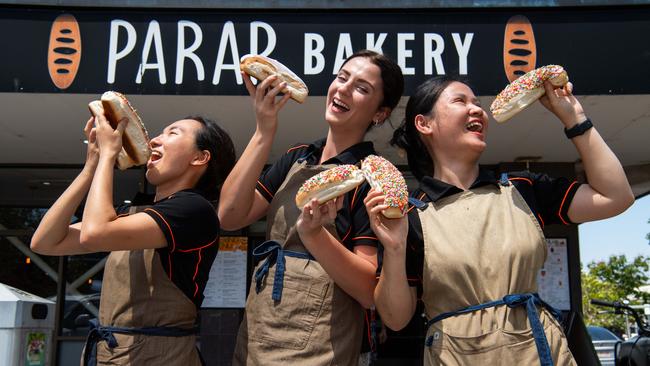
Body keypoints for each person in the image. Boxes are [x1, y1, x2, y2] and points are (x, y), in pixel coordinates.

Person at [364, 76, 634, 365]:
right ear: (424, 124)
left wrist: (575, 118)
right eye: (460, 101)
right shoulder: (410, 216)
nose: (477, 110)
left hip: (540, 353)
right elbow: (394, 319)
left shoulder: (521, 188)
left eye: (477, 104)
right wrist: (393, 248)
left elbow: (615, 196)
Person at [218, 49, 404, 365]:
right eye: (342, 77)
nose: (343, 89)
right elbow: (230, 215)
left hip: (320, 346)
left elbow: (367, 289)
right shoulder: (297, 157)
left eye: (361, 88)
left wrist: (315, 235)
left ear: (380, 113)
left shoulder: (371, 175)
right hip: (257, 332)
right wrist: (264, 129)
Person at [30, 112, 236, 365]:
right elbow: (46, 242)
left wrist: (108, 156)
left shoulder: (194, 210)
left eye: (173, 133)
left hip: (157, 356)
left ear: (200, 157)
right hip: (110, 352)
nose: (154, 141)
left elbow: (95, 233)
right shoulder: (135, 215)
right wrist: (91, 166)